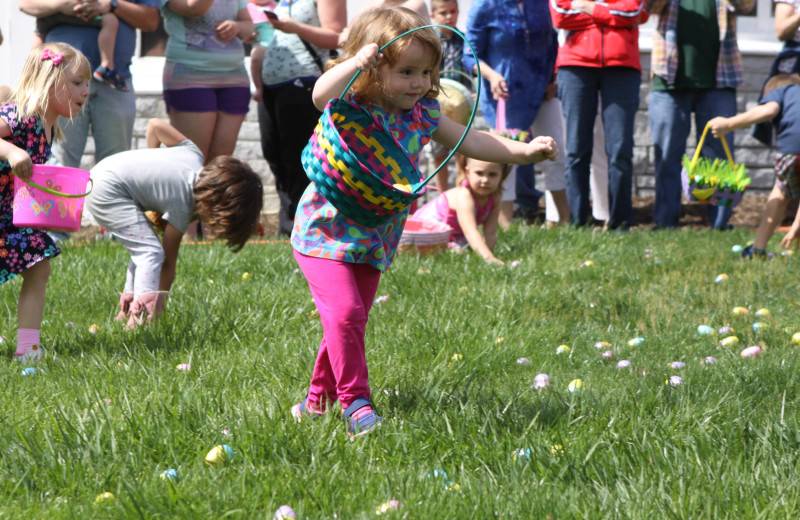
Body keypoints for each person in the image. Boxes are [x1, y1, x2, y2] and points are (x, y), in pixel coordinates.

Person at [289, 7, 558, 438]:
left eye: (426, 72)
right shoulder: (351, 103)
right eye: (407, 71)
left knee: (348, 319)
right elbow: (320, 95)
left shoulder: (422, 115)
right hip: (323, 231)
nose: (418, 83)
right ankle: (356, 403)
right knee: (344, 314)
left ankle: (315, 400)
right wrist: (356, 63)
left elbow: (473, 139)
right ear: (374, 66)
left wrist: (522, 152)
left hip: (375, 233)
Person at [85, 118, 263, 329]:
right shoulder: (185, 201)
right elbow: (168, 262)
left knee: (143, 247)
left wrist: (150, 163)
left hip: (99, 173)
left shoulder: (194, 154)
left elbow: (155, 126)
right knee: (150, 252)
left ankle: (127, 309)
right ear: (218, 207)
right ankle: (141, 319)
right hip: (108, 191)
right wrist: (161, 302)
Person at [0, 43, 91, 361]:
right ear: (48, 81)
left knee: (39, 267)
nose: (85, 91)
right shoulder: (20, 115)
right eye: (77, 82)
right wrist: (11, 151)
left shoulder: (48, 127)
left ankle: (27, 350)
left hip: (7, 215)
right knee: (38, 267)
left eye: (87, 84)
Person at [645, 0, 755, 230]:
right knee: (667, 155)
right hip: (670, 78)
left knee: (718, 158)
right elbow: (649, 7)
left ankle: (718, 224)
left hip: (719, 77)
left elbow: (746, 5)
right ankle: (666, 222)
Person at [464, 0, 569, 228]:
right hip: (506, 94)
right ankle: (504, 226)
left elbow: (552, 43)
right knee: (506, 159)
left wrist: (553, 79)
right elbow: (469, 54)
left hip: (543, 90)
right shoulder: (484, 5)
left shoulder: (542, 4)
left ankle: (562, 221)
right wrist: (491, 76)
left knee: (555, 151)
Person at [19, 0, 160, 168]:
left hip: (113, 82)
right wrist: (61, 5)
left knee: (116, 166)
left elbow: (151, 20)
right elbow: (25, 3)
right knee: (59, 164)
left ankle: (107, 67)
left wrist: (112, 4)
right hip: (60, 84)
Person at [550, 0, 645, 230]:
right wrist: (613, 17)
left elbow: (633, 12)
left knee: (620, 150)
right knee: (576, 149)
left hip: (623, 66)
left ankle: (620, 224)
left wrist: (590, 7)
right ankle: (577, 223)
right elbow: (561, 14)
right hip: (575, 66)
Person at [256, 0, 346, 236]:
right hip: (272, 86)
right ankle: (288, 225)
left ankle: (301, 229)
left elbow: (337, 37)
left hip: (306, 84)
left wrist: (294, 27)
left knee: (298, 160)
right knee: (273, 153)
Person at [708, 74, 800, 257]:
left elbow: (768, 111)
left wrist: (728, 124)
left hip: (792, 147)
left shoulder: (783, 91)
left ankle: (757, 249)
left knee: (781, 193)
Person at [160, 0, 254, 163]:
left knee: (221, 162)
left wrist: (237, 26)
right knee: (192, 159)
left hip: (234, 77)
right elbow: (195, 8)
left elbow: (249, 26)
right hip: (190, 75)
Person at [410, 154, 509, 264]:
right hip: (427, 229)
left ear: (502, 175)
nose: (485, 180)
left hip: (453, 233)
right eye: (479, 173)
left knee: (465, 249)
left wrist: (490, 253)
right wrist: (488, 258)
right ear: (467, 172)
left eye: (492, 175)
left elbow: (490, 231)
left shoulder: (496, 197)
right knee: (457, 253)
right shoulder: (464, 195)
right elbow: (470, 230)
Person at [428, 0, 471, 192]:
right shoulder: (430, 42)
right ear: (433, 16)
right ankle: (443, 195)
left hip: (460, 104)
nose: (449, 16)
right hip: (437, 104)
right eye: (443, 13)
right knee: (439, 153)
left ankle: (463, 191)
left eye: (453, 12)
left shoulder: (464, 40)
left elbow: (470, 67)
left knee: (463, 151)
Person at [32, 12, 126, 91]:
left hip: (48, 14)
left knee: (38, 34)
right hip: (76, 10)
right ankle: (107, 67)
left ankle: (34, 69)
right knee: (111, 20)